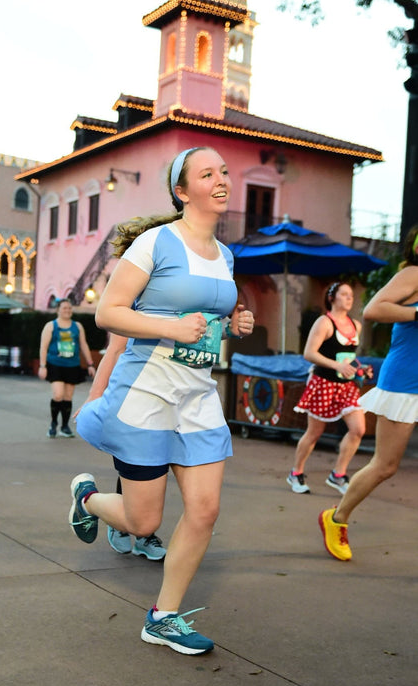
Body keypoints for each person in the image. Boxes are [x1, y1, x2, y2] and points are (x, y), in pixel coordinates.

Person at [68, 146, 255, 655]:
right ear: (181, 191)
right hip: (146, 394)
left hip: (196, 396)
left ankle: (164, 616)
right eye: (207, 173)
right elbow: (109, 313)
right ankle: (87, 500)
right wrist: (169, 326)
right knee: (143, 522)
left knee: (205, 510)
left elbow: (207, 324)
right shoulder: (156, 243)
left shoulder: (227, 255)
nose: (221, 179)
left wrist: (233, 326)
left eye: (224, 171)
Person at [319, 224, 418, 561]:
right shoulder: (414, 274)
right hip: (406, 381)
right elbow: (374, 309)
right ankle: (337, 518)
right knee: (386, 465)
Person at [76, 331, 167, 561]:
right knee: (139, 461)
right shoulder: (135, 299)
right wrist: (94, 395)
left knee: (159, 469)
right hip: (136, 398)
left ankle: (141, 532)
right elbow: (116, 347)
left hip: (176, 398)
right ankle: (117, 519)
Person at [286, 281, 372, 495]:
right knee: (315, 432)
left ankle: (338, 474)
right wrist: (337, 366)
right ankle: (296, 473)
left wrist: (361, 369)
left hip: (346, 386)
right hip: (323, 383)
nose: (349, 298)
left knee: (358, 429)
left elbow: (349, 359)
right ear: (332, 298)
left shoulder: (356, 325)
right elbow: (309, 353)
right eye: (344, 294)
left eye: (351, 295)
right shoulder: (324, 322)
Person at [38, 298, 96, 438]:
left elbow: (83, 345)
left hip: (72, 365)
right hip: (55, 364)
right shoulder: (51, 326)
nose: (67, 310)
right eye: (64, 308)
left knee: (68, 396)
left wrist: (90, 364)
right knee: (58, 395)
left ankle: (64, 426)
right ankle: (53, 424)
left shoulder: (77, 326)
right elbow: (43, 347)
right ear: (58, 310)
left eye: (69, 308)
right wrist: (42, 366)